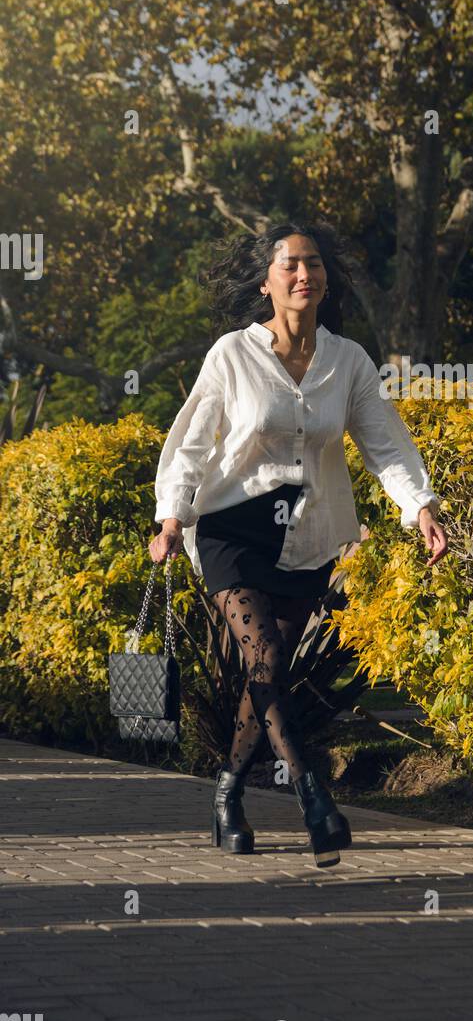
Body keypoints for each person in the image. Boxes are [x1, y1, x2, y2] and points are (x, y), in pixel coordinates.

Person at [149, 220, 448, 867]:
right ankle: (313, 794)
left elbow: (384, 442)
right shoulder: (232, 355)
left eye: (313, 263)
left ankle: (227, 792)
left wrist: (418, 504)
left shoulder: (349, 362)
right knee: (264, 650)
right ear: (267, 281)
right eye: (290, 264)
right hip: (232, 527)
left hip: (307, 533)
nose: (304, 274)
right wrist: (172, 516)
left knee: (270, 670)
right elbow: (194, 442)